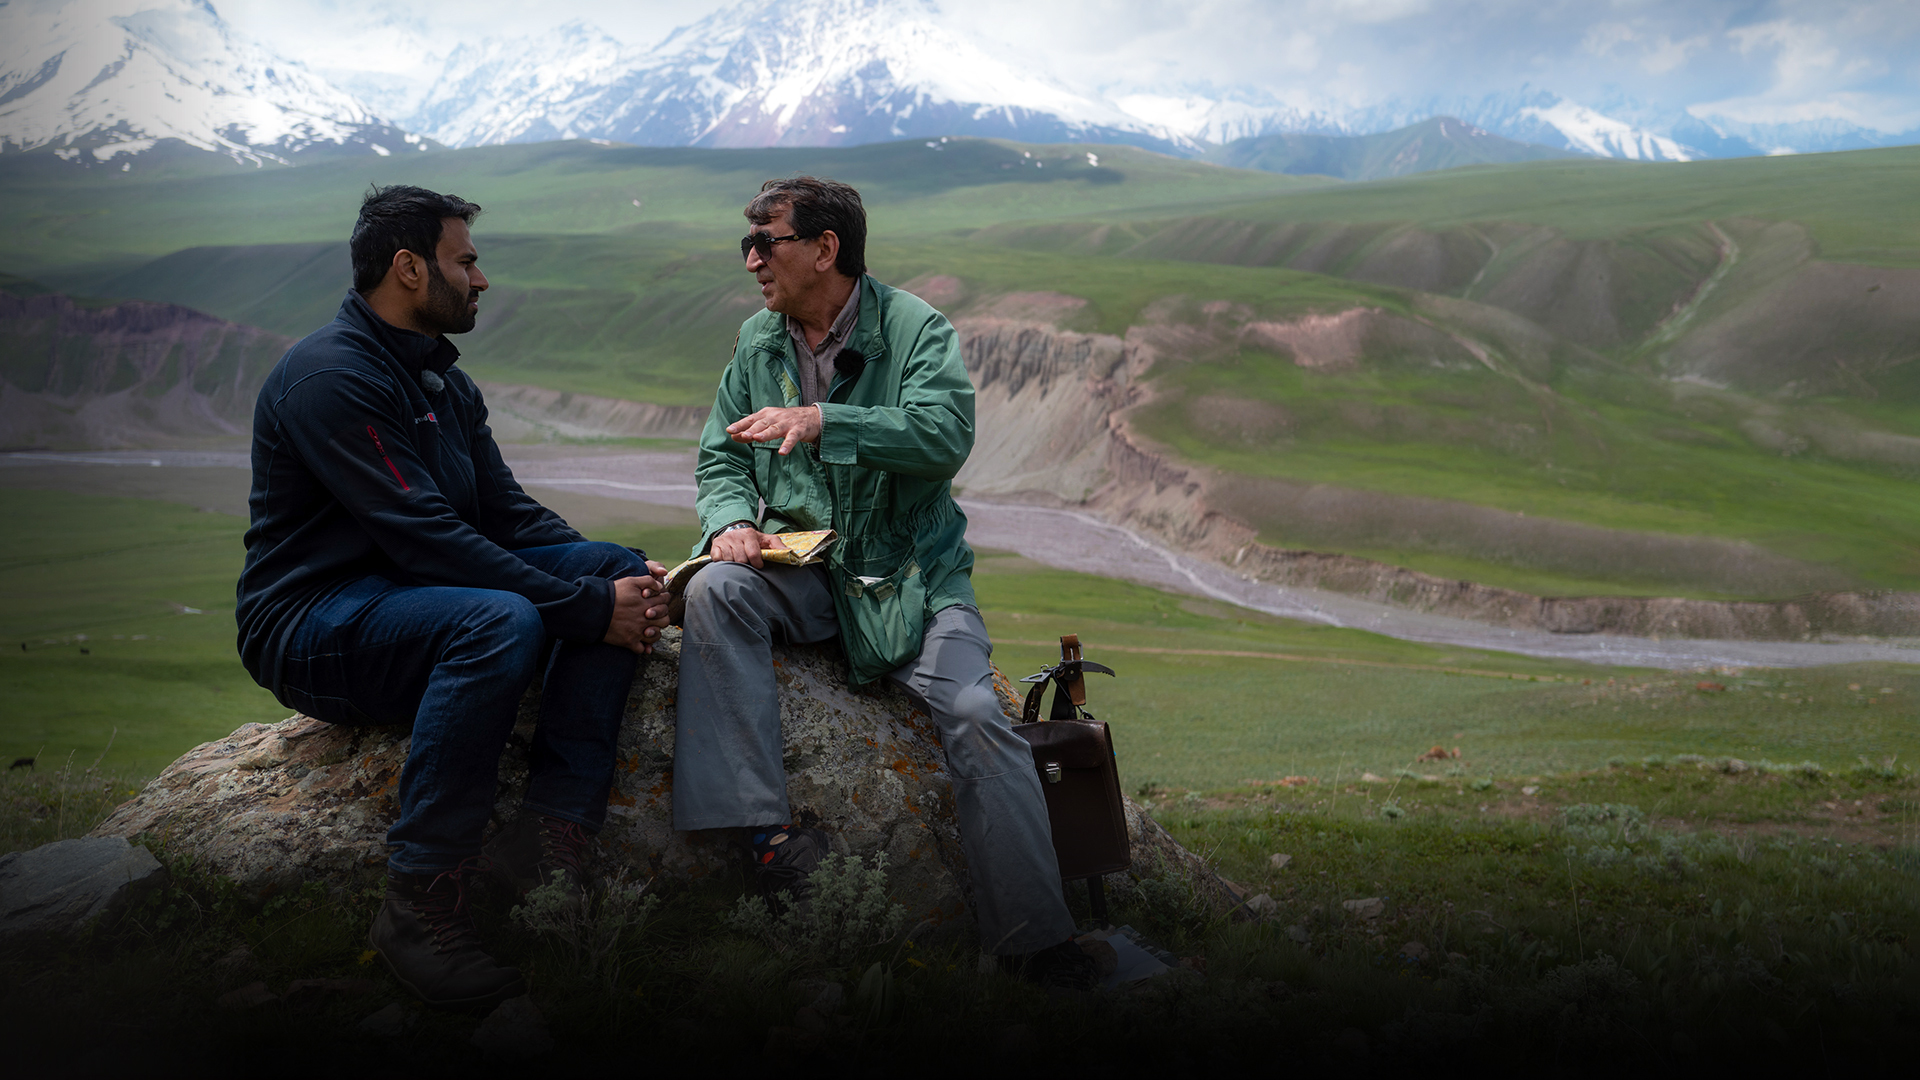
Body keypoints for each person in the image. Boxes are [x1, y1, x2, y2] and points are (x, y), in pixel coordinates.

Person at [235, 185, 671, 1011]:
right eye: (464, 261)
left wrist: (618, 581)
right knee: (499, 619)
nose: (481, 279)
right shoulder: (331, 376)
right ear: (409, 268)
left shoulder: (440, 381)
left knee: (613, 563)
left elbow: (507, 514)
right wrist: (584, 609)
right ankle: (418, 901)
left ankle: (547, 843)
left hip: (414, 598)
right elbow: (427, 537)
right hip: (312, 621)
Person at [673, 176, 1098, 990]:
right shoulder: (758, 341)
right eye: (747, 244)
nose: (752, 261)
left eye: (766, 243)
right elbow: (722, 455)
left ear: (825, 249)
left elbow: (943, 437)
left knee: (974, 712)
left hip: (912, 579)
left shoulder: (914, 328)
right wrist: (729, 523)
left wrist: (825, 420)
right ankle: (765, 838)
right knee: (715, 590)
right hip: (805, 571)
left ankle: (1038, 943)